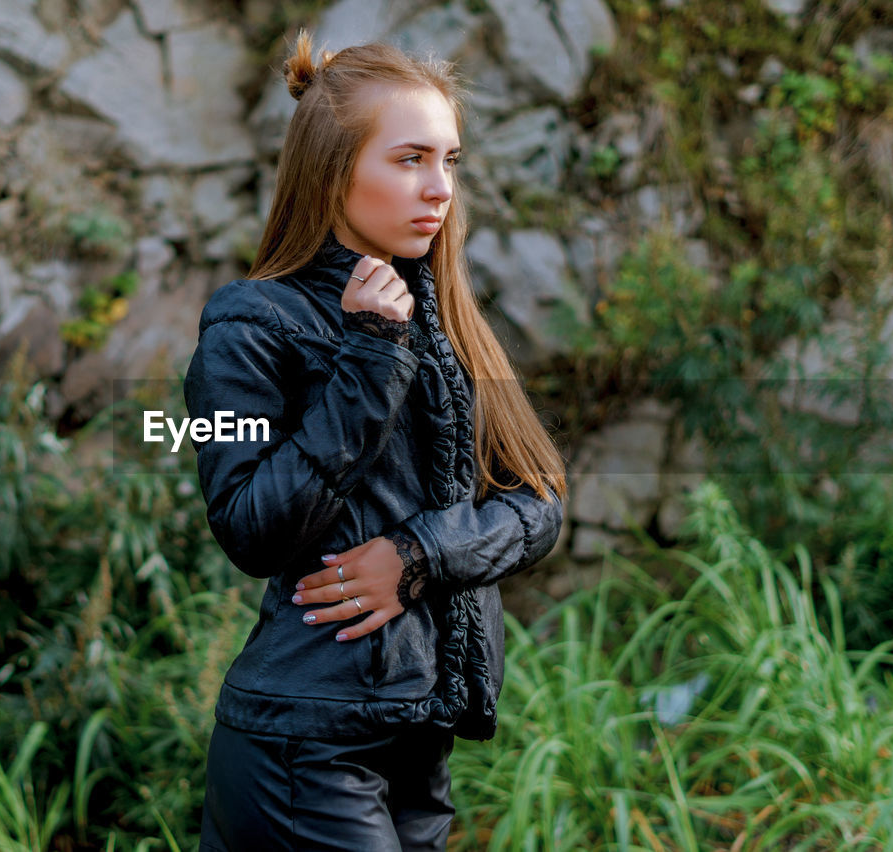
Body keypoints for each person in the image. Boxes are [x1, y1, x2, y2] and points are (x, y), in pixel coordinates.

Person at [183, 28, 567, 852]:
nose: (440, 189)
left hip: (415, 738)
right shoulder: (251, 324)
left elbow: (539, 500)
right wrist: (367, 356)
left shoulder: (451, 321)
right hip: (303, 746)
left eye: (451, 161)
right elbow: (249, 526)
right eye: (409, 159)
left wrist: (420, 554)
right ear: (333, 172)